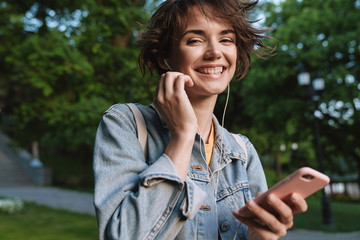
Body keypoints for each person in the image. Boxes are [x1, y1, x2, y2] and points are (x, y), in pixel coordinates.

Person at [93, 0, 308, 239]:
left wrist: (262, 235)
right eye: (195, 40)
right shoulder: (125, 124)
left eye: (226, 40)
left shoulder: (242, 152)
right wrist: (183, 136)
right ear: (165, 58)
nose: (215, 52)